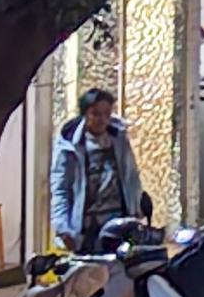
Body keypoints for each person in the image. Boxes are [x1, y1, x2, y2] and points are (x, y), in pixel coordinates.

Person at [50, 87, 147, 250]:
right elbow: (61, 188)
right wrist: (63, 227)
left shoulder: (118, 138)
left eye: (106, 114)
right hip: (87, 225)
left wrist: (136, 206)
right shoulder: (70, 145)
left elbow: (131, 176)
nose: (102, 119)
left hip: (118, 221)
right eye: (96, 114)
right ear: (85, 114)